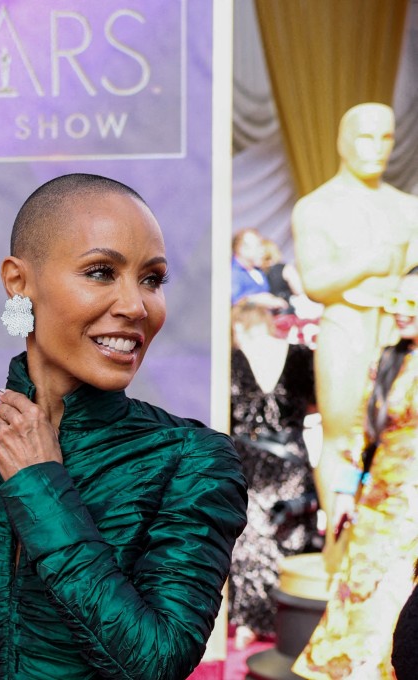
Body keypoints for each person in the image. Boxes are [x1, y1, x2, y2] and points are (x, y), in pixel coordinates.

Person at [0, 174, 248, 679]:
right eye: (101, 272)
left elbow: (157, 663)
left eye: (152, 278)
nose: (136, 306)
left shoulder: (193, 460)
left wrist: (40, 484)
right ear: (18, 282)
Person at [291, 103, 418, 517]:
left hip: (399, 331)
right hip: (347, 325)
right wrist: (367, 262)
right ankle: (336, 549)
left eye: (386, 138)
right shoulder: (317, 206)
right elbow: (315, 282)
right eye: (366, 136)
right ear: (343, 142)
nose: (377, 148)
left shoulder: (407, 207)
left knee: (402, 433)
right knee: (341, 435)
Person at [293, 268, 418, 679]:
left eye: (411, 303)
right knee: (363, 594)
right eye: (396, 301)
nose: (400, 312)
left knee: (402, 601)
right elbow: (361, 436)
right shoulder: (389, 361)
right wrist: (345, 492)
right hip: (381, 506)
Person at [227, 300, 318, 650]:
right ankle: (289, 620)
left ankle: (249, 623)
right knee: (289, 539)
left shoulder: (230, 359)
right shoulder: (300, 355)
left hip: (247, 462)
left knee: (247, 544)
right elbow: (315, 404)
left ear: (239, 325)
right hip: (290, 462)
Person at [231, 228, 290, 311]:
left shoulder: (258, 270)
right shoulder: (234, 273)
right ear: (242, 249)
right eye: (258, 246)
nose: (262, 250)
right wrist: (256, 300)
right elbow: (233, 301)